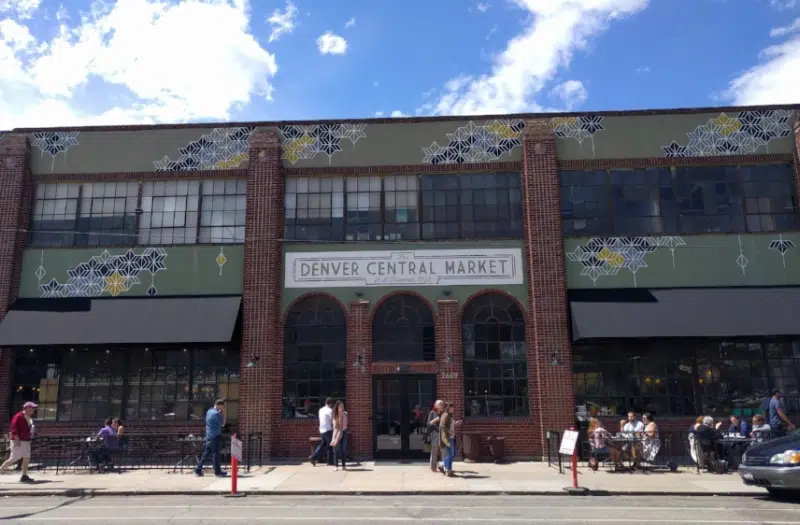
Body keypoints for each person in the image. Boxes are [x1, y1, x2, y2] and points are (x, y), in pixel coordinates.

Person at [0, 402, 37, 482]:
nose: (33, 410)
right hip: (19, 440)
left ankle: (24, 475)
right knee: (13, 458)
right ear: (27, 408)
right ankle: (0, 469)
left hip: (26, 440)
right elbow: (14, 429)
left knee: (26, 457)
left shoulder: (28, 417)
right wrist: (17, 440)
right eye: (32, 408)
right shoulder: (19, 416)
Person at [195, 399, 227, 477]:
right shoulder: (217, 414)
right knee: (216, 454)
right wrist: (224, 414)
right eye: (222, 406)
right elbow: (223, 424)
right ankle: (218, 472)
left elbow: (211, 420)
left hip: (209, 435)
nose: (223, 408)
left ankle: (198, 470)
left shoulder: (209, 411)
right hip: (215, 435)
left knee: (206, 453)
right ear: (219, 405)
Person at [310, 398, 335, 467]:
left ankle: (313, 457)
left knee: (322, 445)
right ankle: (330, 461)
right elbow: (333, 420)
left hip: (321, 430)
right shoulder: (330, 410)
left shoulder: (321, 410)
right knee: (330, 445)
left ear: (325, 402)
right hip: (328, 430)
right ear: (331, 404)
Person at [439, 403, 459, 477]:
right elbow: (442, 425)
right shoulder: (446, 415)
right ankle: (448, 470)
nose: (453, 409)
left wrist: (456, 423)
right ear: (448, 408)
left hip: (451, 437)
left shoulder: (449, 415)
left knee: (452, 454)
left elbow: (449, 424)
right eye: (452, 408)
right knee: (451, 454)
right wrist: (449, 431)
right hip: (448, 438)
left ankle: (442, 465)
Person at [330, 401, 349, 471]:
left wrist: (342, 415)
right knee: (336, 450)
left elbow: (346, 423)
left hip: (344, 432)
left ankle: (343, 465)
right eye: (341, 406)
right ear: (337, 407)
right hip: (337, 433)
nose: (342, 407)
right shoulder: (335, 415)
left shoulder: (345, 413)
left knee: (343, 449)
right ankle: (336, 465)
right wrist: (339, 417)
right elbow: (335, 426)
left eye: (343, 405)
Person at [427, 400, 444, 472]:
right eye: (440, 404)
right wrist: (435, 420)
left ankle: (441, 467)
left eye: (442, 405)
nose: (441, 406)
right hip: (435, 435)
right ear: (436, 405)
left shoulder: (443, 413)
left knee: (442, 452)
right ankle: (433, 467)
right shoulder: (432, 412)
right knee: (434, 452)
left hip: (442, 435)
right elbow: (428, 424)